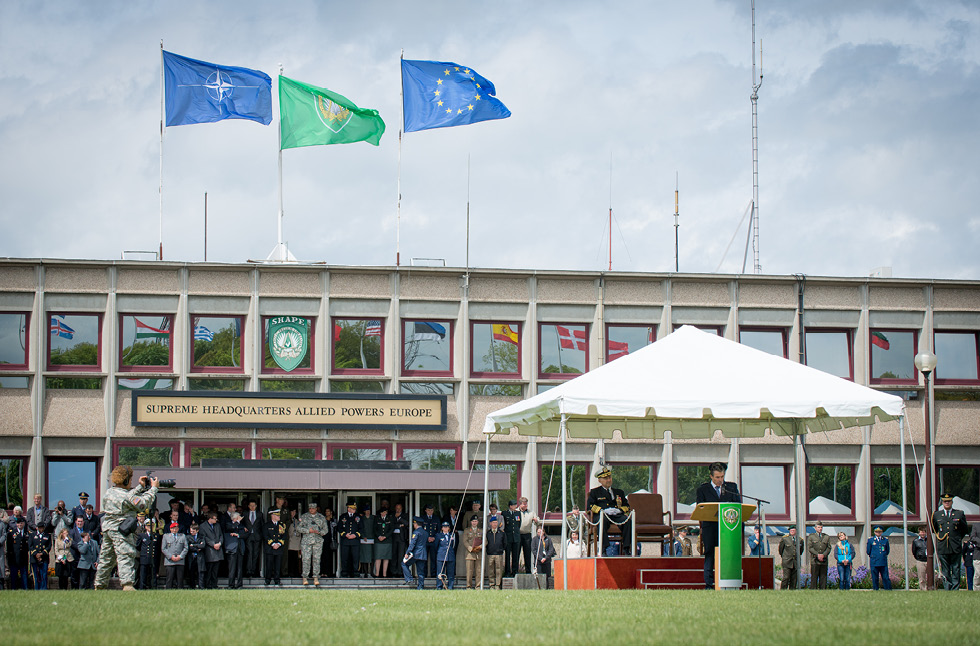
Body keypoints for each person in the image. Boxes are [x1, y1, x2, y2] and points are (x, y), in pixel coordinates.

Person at [94, 466, 159, 591]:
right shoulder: (126, 496)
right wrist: (154, 489)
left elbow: (128, 497)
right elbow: (142, 504)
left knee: (106, 558)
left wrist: (140, 487)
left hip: (108, 529)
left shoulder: (109, 492)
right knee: (126, 554)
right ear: (125, 480)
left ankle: (99, 585)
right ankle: (127, 584)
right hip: (121, 529)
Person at [695, 461, 741, 589]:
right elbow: (700, 508)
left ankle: (728, 582)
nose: (720, 480)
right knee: (710, 554)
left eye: (722, 477)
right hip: (710, 527)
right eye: (717, 477)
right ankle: (709, 584)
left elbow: (738, 506)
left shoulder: (731, 488)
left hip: (728, 528)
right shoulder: (703, 489)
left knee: (728, 553)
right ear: (711, 476)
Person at [588, 466, 632, 558]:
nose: (608, 480)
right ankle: (604, 548)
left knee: (627, 521)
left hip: (616, 515)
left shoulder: (619, 492)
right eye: (605, 478)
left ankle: (626, 548)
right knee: (602, 520)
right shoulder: (595, 492)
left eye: (609, 477)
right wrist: (602, 510)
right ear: (599, 480)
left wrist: (619, 510)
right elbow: (590, 506)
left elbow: (627, 506)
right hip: (602, 515)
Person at [932, 492, 969, 591]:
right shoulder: (937, 515)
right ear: (942, 503)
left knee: (956, 568)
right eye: (945, 501)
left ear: (952, 502)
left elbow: (964, 529)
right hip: (943, 546)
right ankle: (947, 588)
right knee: (945, 570)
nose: (947, 503)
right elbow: (935, 529)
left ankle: (955, 588)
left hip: (955, 546)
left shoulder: (959, 514)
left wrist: (957, 539)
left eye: (948, 501)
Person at [298, 500, 328, 586]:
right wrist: (308, 530)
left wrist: (320, 532)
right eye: (310, 508)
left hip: (317, 541)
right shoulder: (304, 517)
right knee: (306, 559)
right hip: (306, 542)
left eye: (313, 508)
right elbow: (298, 528)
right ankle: (305, 577)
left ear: (316, 509)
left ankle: (315, 577)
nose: (311, 510)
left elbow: (326, 530)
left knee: (316, 559)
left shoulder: (321, 517)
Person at [402, 517, 428, 589]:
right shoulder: (425, 532)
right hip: (423, 554)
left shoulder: (416, 532)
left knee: (404, 564)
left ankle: (409, 578)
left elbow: (412, 544)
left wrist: (407, 552)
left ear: (416, 524)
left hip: (416, 553)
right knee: (420, 571)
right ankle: (421, 586)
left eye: (414, 523)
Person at [337, 501, 362, 578]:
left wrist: (355, 535)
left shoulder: (358, 517)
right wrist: (345, 534)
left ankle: (355, 572)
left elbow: (362, 528)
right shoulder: (343, 517)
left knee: (355, 558)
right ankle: (344, 572)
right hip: (345, 541)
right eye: (352, 508)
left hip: (355, 541)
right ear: (348, 508)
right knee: (345, 558)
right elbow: (339, 528)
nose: (354, 510)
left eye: (354, 508)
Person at [200, 511, 223, 589]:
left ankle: (214, 585)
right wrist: (213, 544)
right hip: (209, 551)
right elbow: (204, 537)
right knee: (209, 570)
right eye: (214, 519)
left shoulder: (217, 525)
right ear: (210, 519)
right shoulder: (203, 526)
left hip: (218, 550)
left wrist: (219, 543)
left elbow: (221, 535)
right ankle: (208, 585)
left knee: (215, 570)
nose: (216, 520)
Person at [263, 508, 286, 586]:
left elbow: (284, 536)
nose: (279, 517)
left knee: (277, 565)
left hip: (279, 548)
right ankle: (267, 580)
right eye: (277, 515)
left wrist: (279, 544)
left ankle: (277, 580)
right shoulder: (267, 525)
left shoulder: (282, 525)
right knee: (269, 565)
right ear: (273, 516)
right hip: (270, 548)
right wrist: (272, 544)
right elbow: (265, 536)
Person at [161, 521, 188, 589]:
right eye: (173, 528)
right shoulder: (166, 536)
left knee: (180, 579)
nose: (174, 530)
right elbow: (163, 548)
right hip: (170, 561)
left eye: (176, 528)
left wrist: (181, 556)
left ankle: (180, 591)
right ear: (170, 529)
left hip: (180, 560)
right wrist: (170, 556)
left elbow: (186, 547)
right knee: (169, 578)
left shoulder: (182, 536)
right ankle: (168, 591)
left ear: (178, 529)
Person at [806, 522, 832, 589]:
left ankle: (823, 591)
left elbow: (829, 547)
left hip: (824, 560)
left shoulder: (826, 537)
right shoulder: (811, 536)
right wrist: (818, 554)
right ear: (815, 528)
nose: (820, 529)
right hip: (815, 560)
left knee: (823, 577)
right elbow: (810, 547)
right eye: (818, 527)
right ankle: (813, 591)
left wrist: (823, 555)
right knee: (814, 577)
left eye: (821, 527)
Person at [242, 500, 264, 578]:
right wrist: (244, 528)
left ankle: (254, 571)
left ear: (256, 506)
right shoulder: (245, 513)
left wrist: (261, 535)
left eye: (253, 505)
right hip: (248, 536)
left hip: (257, 536)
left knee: (255, 554)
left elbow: (262, 525)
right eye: (251, 505)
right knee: (249, 553)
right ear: (248, 506)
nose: (252, 507)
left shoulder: (259, 514)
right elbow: (242, 523)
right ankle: (248, 571)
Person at [461, 514, 484, 588]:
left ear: (478, 522)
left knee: (478, 571)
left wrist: (480, 547)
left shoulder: (481, 530)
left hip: (478, 553)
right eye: (473, 521)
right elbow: (465, 541)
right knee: (469, 571)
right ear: (471, 522)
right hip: (470, 554)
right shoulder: (467, 530)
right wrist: (470, 548)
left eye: (476, 521)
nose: (474, 522)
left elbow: (485, 541)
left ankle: (478, 586)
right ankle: (468, 586)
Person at [867, 525, 891, 590]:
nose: (878, 533)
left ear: (882, 532)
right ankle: (875, 589)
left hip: (882, 561)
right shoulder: (871, 540)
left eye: (879, 532)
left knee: (885, 577)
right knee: (875, 577)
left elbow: (887, 551)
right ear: (874, 532)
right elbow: (868, 551)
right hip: (874, 561)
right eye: (877, 532)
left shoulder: (885, 540)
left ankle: (888, 589)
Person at [224, 511, 245, 589]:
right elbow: (230, 528)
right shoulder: (228, 524)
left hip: (240, 548)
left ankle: (239, 585)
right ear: (234, 518)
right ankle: (231, 585)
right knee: (232, 568)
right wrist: (238, 522)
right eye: (238, 517)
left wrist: (238, 535)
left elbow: (245, 534)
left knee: (240, 568)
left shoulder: (242, 525)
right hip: (232, 549)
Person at [484, 516, 506, 589]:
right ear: (490, 523)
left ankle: (498, 584)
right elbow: (486, 543)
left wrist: (501, 549)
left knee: (499, 570)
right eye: (493, 523)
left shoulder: (501, 533)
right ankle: (491, 584)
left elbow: (505, 543)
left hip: (499, 554)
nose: (495, 524)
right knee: (491, 570)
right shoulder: (488, 533)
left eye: (496, 523)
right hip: (490, 554)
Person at [28, 520, 51, 589]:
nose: (41, 529)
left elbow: (49, 546)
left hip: (44, 558)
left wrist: (42, 553)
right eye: (40, 527)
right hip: (34, 558)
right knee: (36, 575)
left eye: (42, 528)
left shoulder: (47, 535)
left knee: (43, 574)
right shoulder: (32, 535)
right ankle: (36, 588)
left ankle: (43, 588)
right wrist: (36, 554)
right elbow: (30, 545)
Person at [502, 500, 521, 576]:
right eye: (514, 505)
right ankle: (507, 572)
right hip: (508, 537)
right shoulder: (505, 513)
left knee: (515, 555)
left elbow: (518, 524)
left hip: (516, 537)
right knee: (507, 556)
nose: (515, 506)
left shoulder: (517, 513)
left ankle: (515, 571)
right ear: (510, 506)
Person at [517, 497, 538, 572]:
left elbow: (538, 521)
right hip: (518, 535)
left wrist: (536, 520)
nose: (525, 506)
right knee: (516, 554)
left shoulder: (531, 512)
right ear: (520, 504)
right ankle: (515, 571)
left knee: (527, 554)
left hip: (527, 535)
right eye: (524, 504)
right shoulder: (516, 512)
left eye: (526, 504)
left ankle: (528, 571)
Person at [420, 503, 440, 577]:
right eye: (428, 510)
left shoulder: (436, 518)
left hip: (433, 541)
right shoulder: (423, 518)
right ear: (425, 511)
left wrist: (434, 537)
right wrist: (427, 537)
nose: (430, 512)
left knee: (433, 558)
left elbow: (438, 530)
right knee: (424, 558)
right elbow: (421, 530)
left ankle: (433, 574)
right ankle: (424, 574)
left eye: (431, 510)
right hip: (425, 541)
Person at [374, 506, 394, 578]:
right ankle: (377, 574)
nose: (383, 514)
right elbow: (374, 529)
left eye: (385, 512)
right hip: (378, 540)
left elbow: (391, 529)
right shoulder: (377, 518)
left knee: (386, 557)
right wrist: (379, 536)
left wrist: (385, 536)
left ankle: (384, 574)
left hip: (387, 540)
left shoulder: (390, 518)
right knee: (378, 557)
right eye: (382, 512)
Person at [436, 520, 457, 589]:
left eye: (447, 527)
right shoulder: (439, 535)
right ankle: (439, 586)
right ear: (442, 528)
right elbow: (436, 546)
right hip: (441, 555)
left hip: (450, 555)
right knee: (440, 572)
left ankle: (450, 586)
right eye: (444, 527)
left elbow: (454, 545)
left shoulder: (452, 535)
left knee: (450, 572)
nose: (445, 528)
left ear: (449, 528)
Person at [135, 520, 156, 589]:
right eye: (149, 526)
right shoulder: (142, 535)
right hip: (144, 557)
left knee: (152, 574)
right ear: (146, 527)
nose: (150, 527)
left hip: (152, 557)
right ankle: (142, 587)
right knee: (143, 574)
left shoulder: (155, 535)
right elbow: (138, 546)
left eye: (152, 526)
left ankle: (152, 587)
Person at [390, 502, 409, 574]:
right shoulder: (392, 515)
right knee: (393, 554)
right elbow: (391, 525)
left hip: (401, 538)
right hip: (393, 537)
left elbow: (407, 523)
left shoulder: (405, 515)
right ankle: (393, 571)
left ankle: (400, 571)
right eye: (397, 508)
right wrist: (399, 525)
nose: (398, 510)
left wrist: (400, 518)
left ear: (402, 508)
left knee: (401, 555)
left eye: (399, 508)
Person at [185, 523, 205, 589]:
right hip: (191, 557)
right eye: (191, 531)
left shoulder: (201, 536)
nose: (192, 532)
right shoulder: (188, 537)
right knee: (191, 572)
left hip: (200, 557)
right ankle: (192, 586)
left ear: (197, 530)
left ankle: (201, 586)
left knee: (200, 572)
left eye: (193, 531)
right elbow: (188, 547)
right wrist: (197, 547)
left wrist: (193, 545)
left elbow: (203, 546)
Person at [321, 507, 338, 578]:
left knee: (330, 557)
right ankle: (322, 572)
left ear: (331, 512)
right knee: (323, 557)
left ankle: (329, 572)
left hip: (331, 541)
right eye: (326, 511)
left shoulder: (334, 521)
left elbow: (336, 530)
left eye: (328, 511)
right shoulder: (322, 521)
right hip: (323, 541)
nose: (327, 513)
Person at [359, 505, 375, 577]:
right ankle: (365, 572)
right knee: (364, 557)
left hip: (372, 539)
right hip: (364, 540)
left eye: (369, 511)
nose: (368, 512)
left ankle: (371, 572)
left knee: (371, 557)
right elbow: (360, 528)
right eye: (366, 511)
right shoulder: (362, 519)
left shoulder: (373, 518)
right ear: (364, 512)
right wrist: (363, 536)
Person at [288, 509, 302, 579]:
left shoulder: (297, 521)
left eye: (294, 512)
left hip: (296, 542)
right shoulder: (287, 520)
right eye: (292, 511)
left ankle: (296, 572)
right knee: (289, 558)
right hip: (289, 542)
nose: (293, 513)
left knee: (296, 558)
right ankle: (289, 572)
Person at [969, 520, 980, 590]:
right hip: (978, 554)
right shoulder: (976, 526)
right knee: (978, 574)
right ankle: (977, 591)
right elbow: (972, 537)